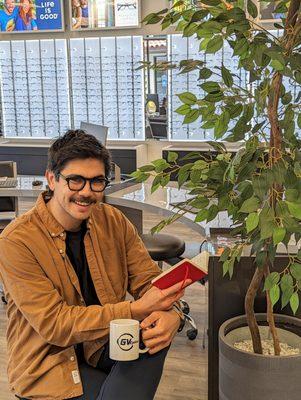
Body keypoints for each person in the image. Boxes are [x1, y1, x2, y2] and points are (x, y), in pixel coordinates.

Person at [0, 130, 188, 400]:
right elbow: (55, 325)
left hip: (103, 341)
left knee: (156, 336)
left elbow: (149, 282)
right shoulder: (16, 241)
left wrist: (174, 316)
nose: (87, 192)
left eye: (96, 182)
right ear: (52, 179)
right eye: (76, 180)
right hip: (49, 359)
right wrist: (135, 309)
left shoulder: (112, 220)